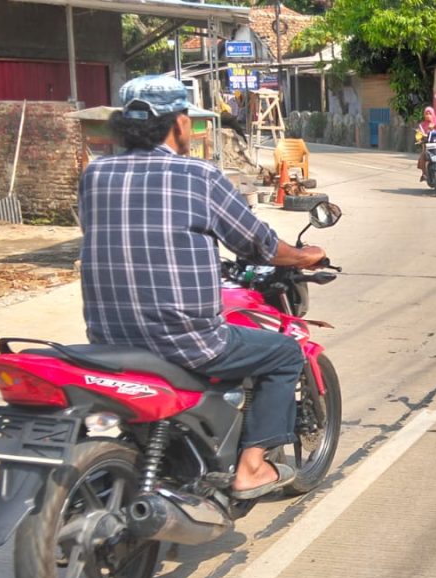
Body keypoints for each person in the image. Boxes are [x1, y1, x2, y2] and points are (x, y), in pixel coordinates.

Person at [80, 75, 327, 499]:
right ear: (178, 123)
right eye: (189, 121)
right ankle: (251, 469)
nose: (192, 131)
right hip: (186, 341)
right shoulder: (198, 175)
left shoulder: (95, 174)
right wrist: (304, 256)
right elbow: (258, 243)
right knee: (284, 353)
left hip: (108, 339)